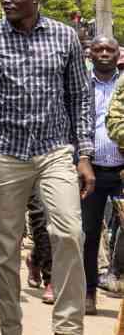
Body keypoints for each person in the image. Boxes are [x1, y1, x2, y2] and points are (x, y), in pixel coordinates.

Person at [0, 0, 92, 335]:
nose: (6, 1)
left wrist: (83, 154)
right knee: (4, 250)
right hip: (4, 152)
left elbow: (80, 98)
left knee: (69, 232)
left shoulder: (64, 36)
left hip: (54, 149)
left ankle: (68, 328)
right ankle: (11, 327)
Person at [92, 36, 124, 315]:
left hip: (121, 170)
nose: (104, 53)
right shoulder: (79, 83)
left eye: (109, 49)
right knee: (88, 233)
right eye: (99, 49)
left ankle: (115, 274)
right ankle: (88, 291)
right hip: (89, 169)